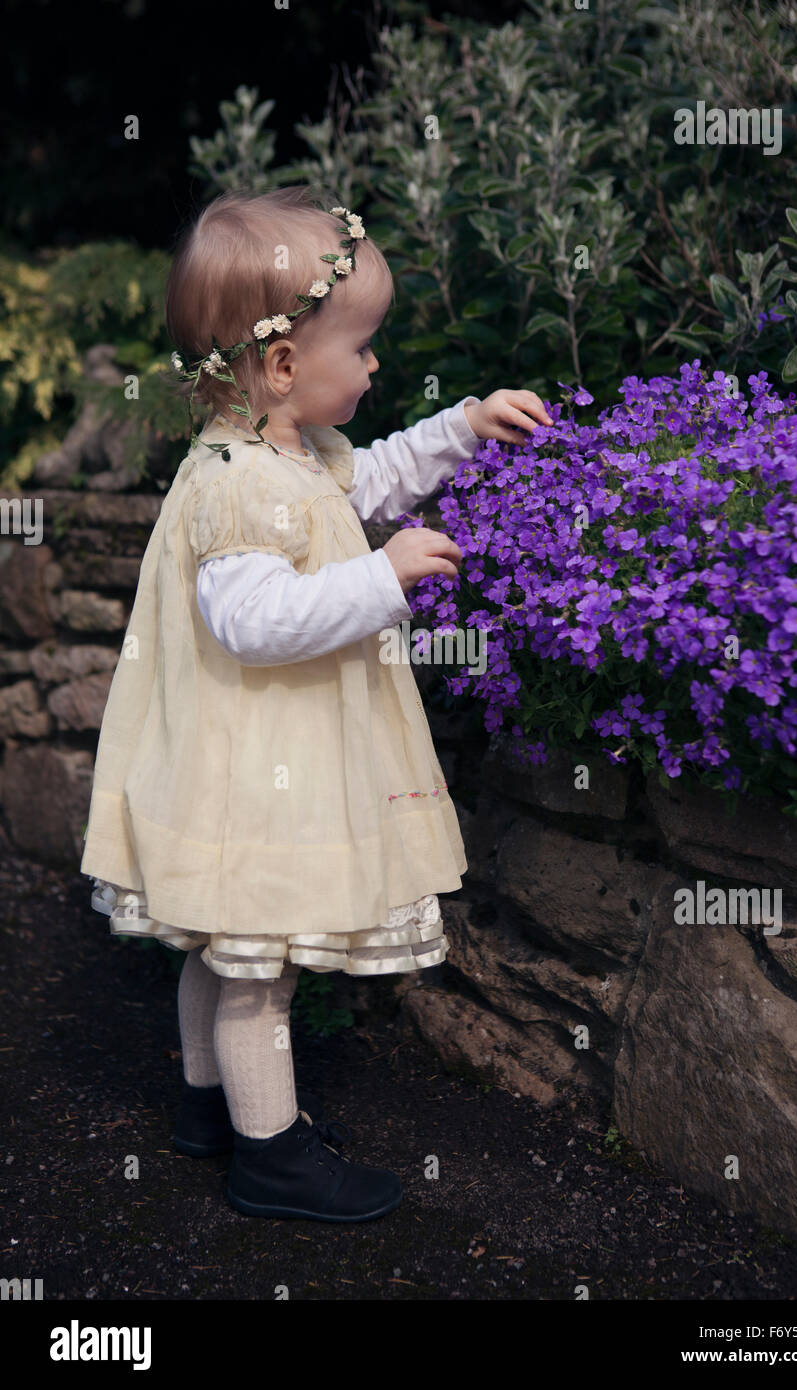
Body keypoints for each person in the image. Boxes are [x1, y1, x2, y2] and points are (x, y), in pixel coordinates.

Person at [80, 185, 553, 1223]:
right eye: (365, 346)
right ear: (285, 365)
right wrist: (382, 579)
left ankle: (209, 1108)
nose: (376, 364)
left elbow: (368, 477)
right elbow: (257, 621)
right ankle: (272, 1156)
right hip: (259, 773)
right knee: (259, 970)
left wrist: (462, 428)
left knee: (220, 942)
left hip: (245, 761)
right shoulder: (234, 486)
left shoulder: (288, 453)